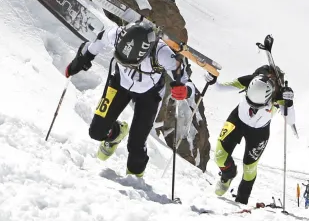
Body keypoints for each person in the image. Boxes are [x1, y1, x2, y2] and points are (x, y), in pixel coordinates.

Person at [66, 21, 194, 177]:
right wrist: (81, 60)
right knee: (96, 132)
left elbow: (186, 81)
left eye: (130, 64)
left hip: (149, 94)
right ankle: (116, 132)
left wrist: (184, 90)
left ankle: (135, 180)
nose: (127, 65)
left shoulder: (162, 53)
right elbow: (96, 44)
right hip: (119, 83)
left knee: (136, 145)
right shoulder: (117, 34)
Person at [212, 65, 295, 204]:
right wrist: (211, 79)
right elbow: (219, 88)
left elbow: (291, 121)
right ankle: (228, 175)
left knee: (249, 168)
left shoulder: (279, 95)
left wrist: (289, 103)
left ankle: (242, 199)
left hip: (259, 132)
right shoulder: (251, 80)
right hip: (237, 120)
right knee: (220, 157)